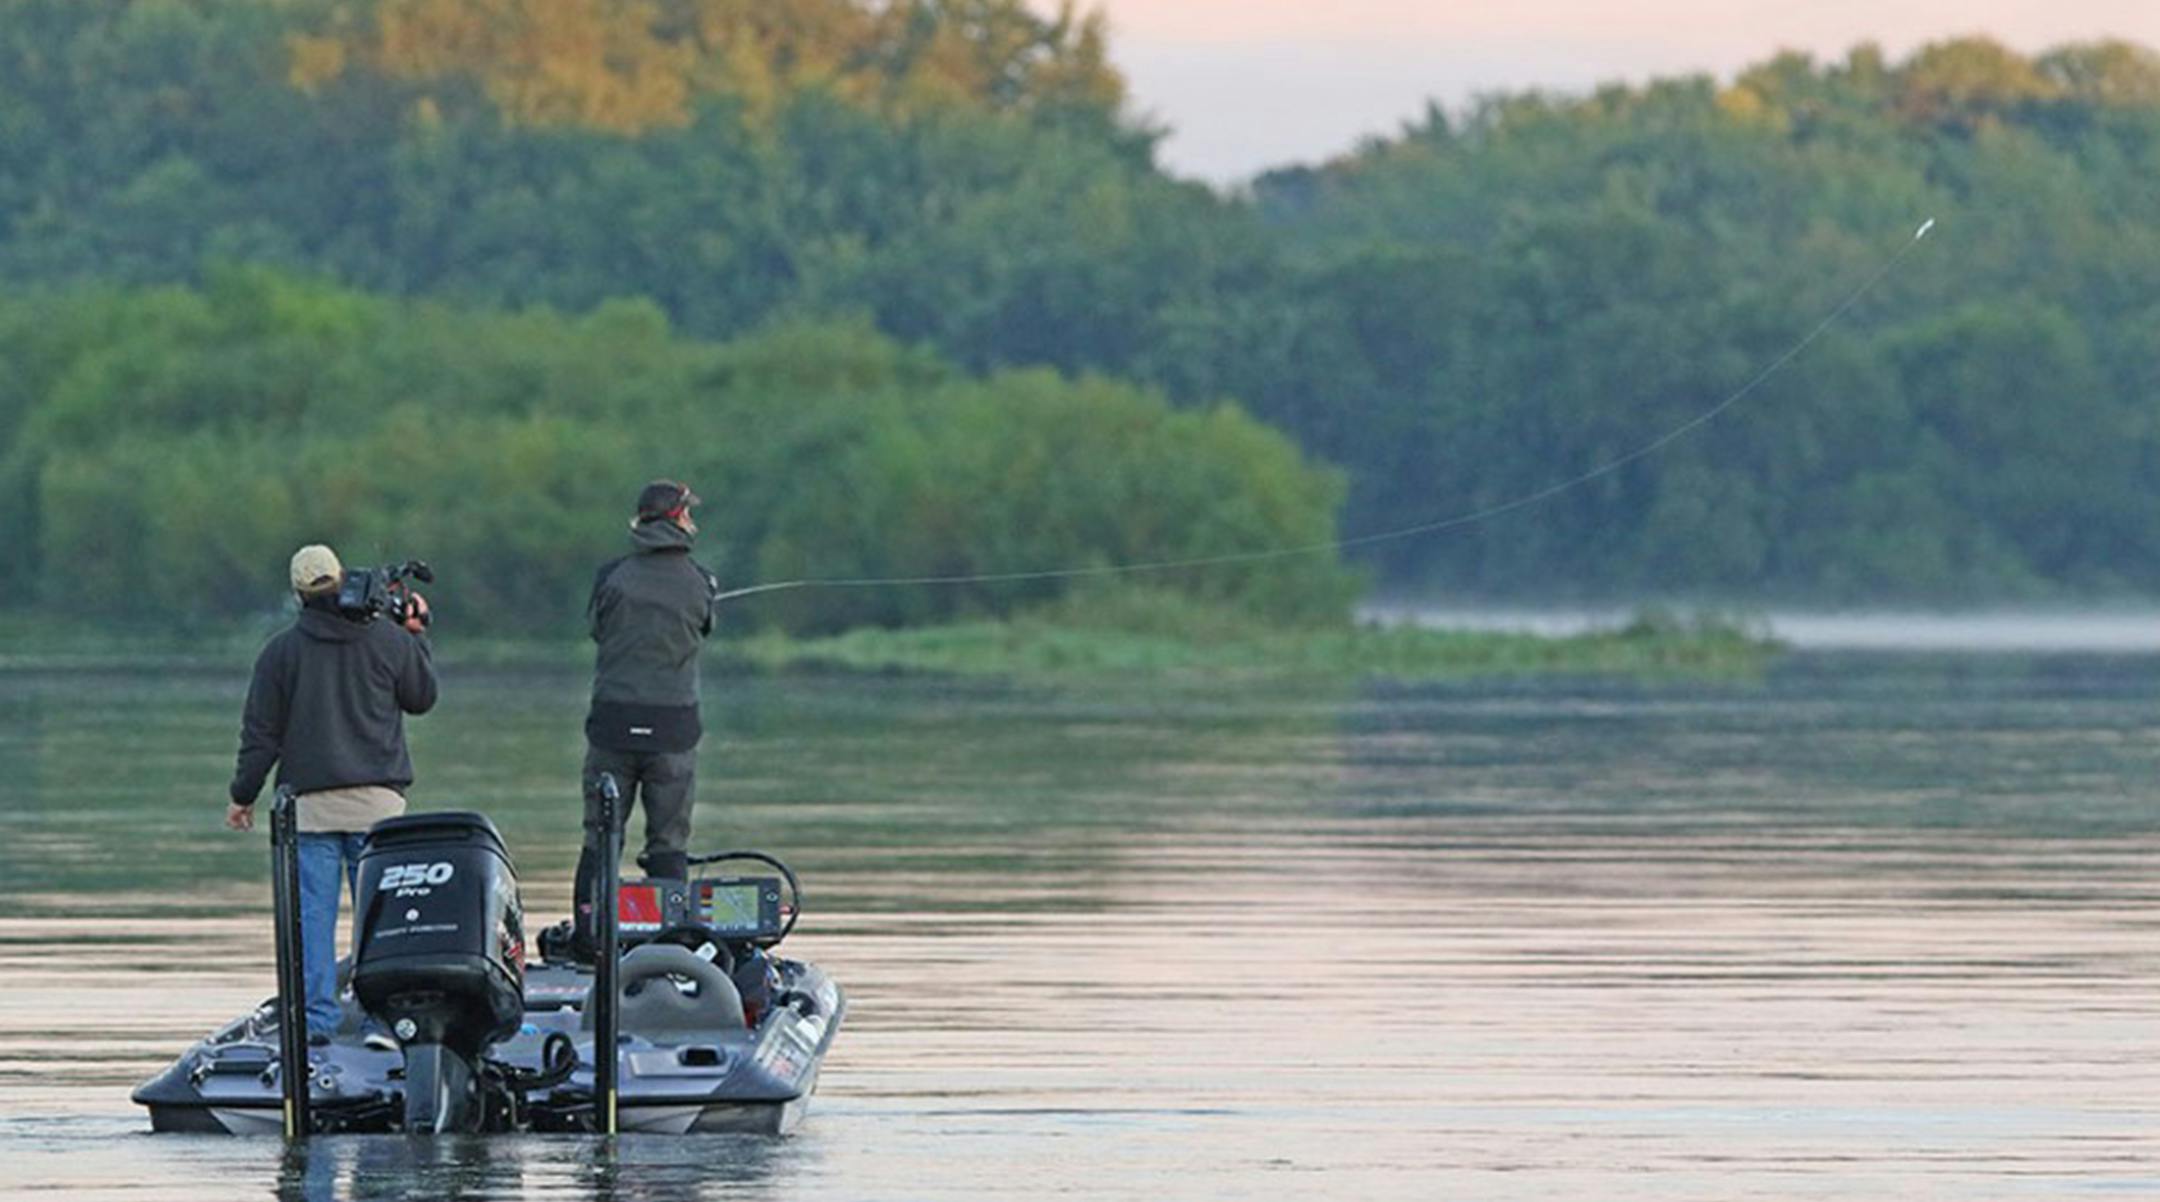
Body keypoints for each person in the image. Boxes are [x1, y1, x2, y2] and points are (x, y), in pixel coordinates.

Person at [226, 544, 436, 1044]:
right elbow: (422, 698)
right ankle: (380, 1020)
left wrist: (243, 795)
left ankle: (316, 1024)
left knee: (312, 924)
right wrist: (416, 635)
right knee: (381, 922)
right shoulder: (389, 640)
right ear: (342, 579)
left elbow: (261, 736)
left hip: (311, 811)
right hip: (379, 812)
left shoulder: (280, 653)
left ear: (298, 593)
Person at [575, 480, 721, 948]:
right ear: (678, 519)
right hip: (674, 731)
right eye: (688, 513)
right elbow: (705, 626)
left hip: (612, 727)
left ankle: (590, 942)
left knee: (600, 836)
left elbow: (598, 629)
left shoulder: (611, 577)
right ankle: (671, 947)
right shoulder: (701, 581)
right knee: (668, 842)